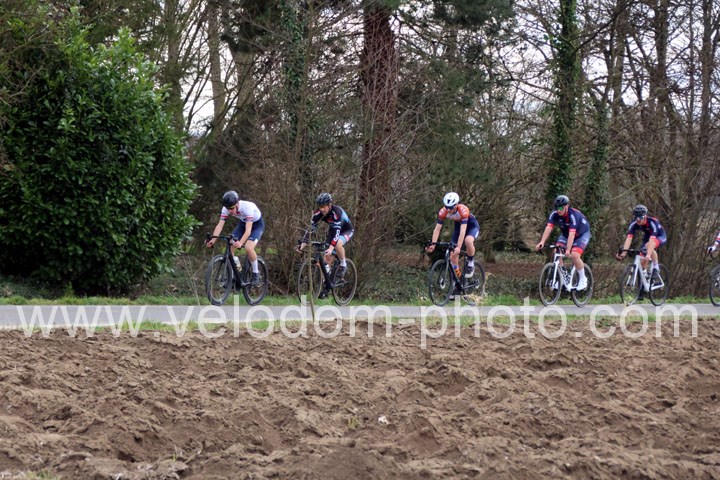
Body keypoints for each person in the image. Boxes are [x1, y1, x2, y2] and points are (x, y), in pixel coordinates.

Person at [206, 190, 264, 285]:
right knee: (230, 245)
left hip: (256, 225)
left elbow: (248, 230)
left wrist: (240, 242)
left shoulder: (247, 208)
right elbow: (220, 226)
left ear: (237, 203)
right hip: (243, 224)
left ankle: (256, 273)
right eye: (227, 208)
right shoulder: (226, 208)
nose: (230, 211)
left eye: (232, 208)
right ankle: (235, 273)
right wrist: (213, 240)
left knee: (248, 247)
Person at [535, 194, 591, 290]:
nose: (558, 210)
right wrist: (542, 242)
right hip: (566, 234)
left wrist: (568, 250)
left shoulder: (573, 215)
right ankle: (562, 278)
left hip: (581, 234)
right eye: (557, 208)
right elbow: (548, 228)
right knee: (556, 251)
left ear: (566, 206)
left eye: (561, 208)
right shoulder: (554, 214)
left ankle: (583, 279)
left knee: (575, 255)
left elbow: (572, 234)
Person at [297, 193, 354, 282]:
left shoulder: (336, 213)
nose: (321, 209)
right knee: (326, 259)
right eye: (320, 207)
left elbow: (337, 233)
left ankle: (343, 265)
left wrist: (331, 248)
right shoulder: (317, 214)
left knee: (337, 244)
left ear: (329, 205)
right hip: (333, 230)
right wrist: (303, 244)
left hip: (346, 230)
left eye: (323, 207)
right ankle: (326, 282)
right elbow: (310, 230)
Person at [425, 192, 480, 280]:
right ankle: (457, 279)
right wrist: (433, 244)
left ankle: (470, 262)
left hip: (471, 227)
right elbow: (437, 229)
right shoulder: (443, 212)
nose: (448, 209)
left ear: (456, 205)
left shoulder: (463, 210)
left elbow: (463, 231)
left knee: (468, 241)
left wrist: (458, 247)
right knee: (452, 254)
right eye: (446, 207)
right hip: (458, 227)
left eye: (450, 207)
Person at [615, 204, 667, 282]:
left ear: (645, 216)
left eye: (640, 218)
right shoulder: (634, 223)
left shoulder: (652, 222)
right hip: (648, 236)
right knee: (642, 259)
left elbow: (652, 240)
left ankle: (656, 268)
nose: (638, 220)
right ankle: (645, 279)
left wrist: (648, 255)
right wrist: (624, 253)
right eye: (636, 218)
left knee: (648, 246)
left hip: (659, 236)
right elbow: (629, 238)